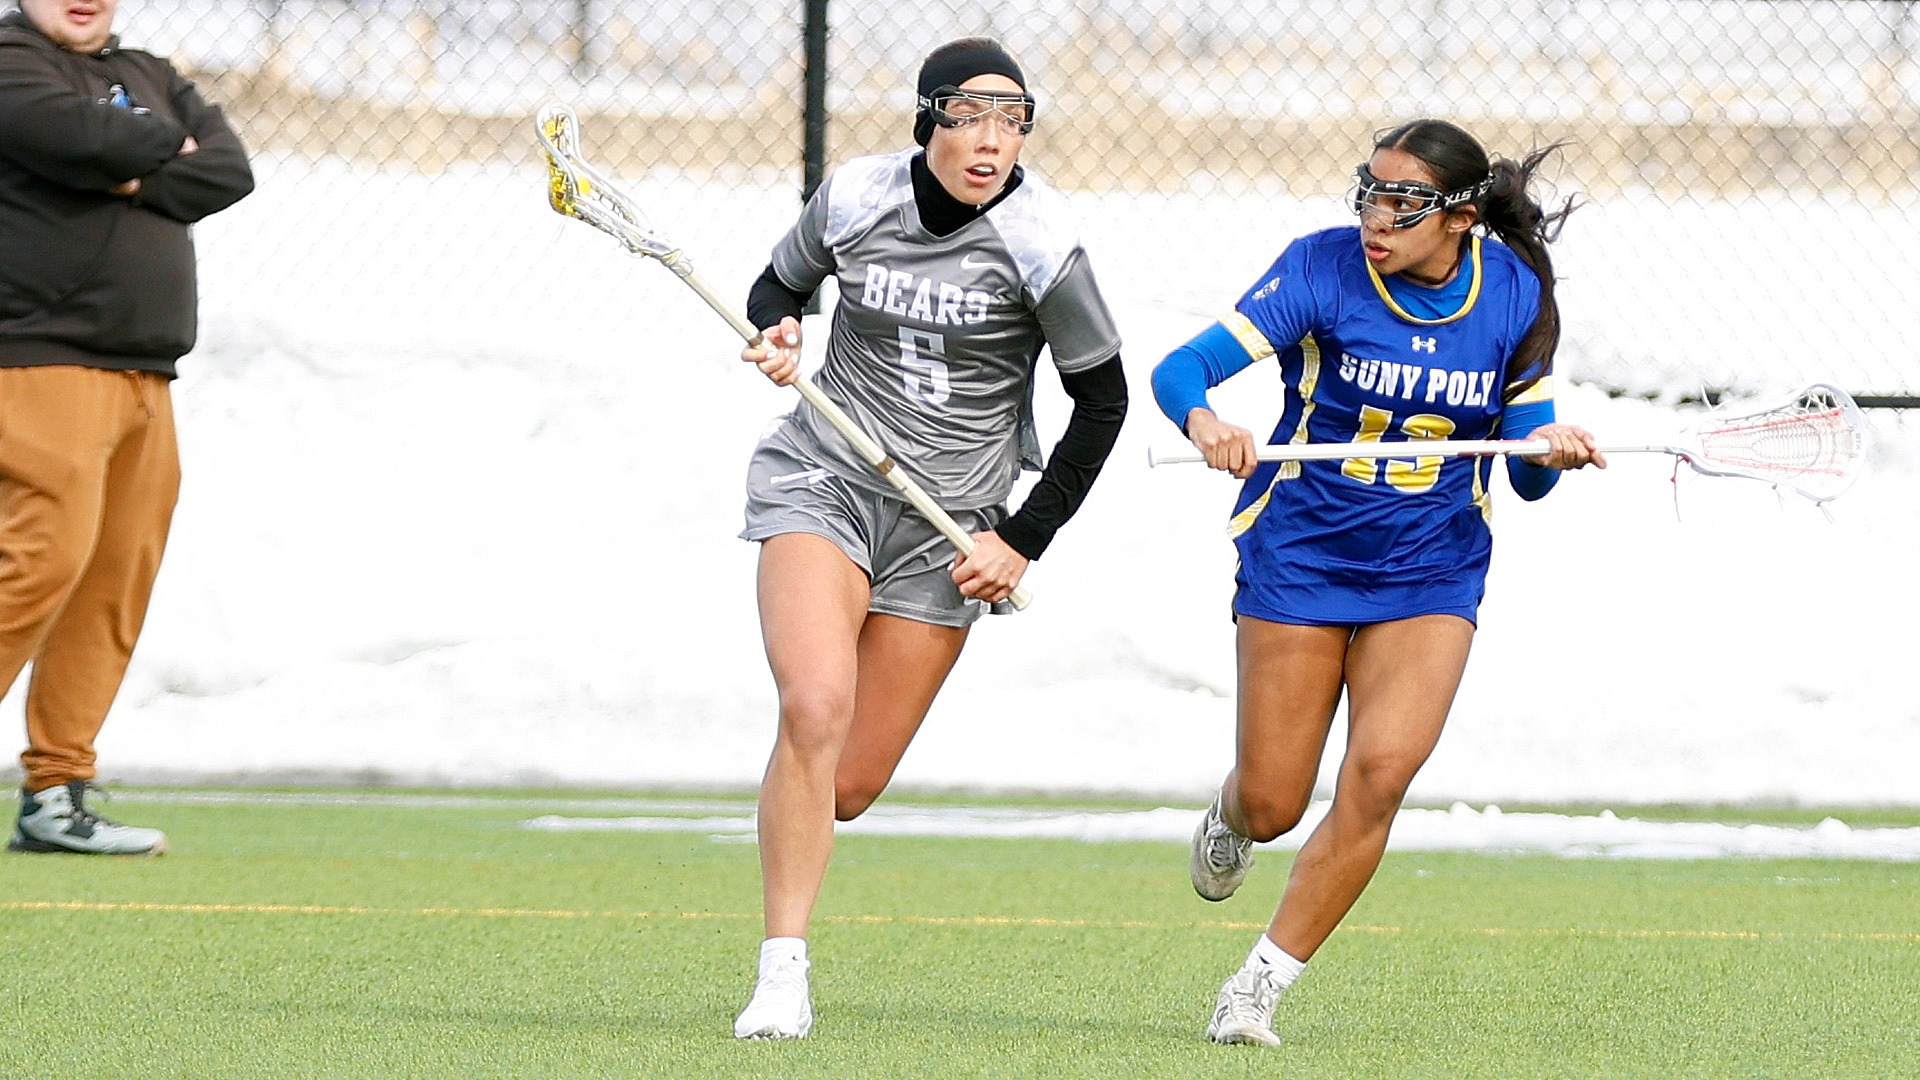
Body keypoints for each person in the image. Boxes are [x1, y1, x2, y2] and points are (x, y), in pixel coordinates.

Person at [1150, 118, 1603, 1046]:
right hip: (1303, 554)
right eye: (1370, 193)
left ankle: (1257, 989)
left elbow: (1525, 477)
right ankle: (1233, 814)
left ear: (1462, 218)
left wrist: (1549, 448)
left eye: (1404, 204)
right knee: (1276, 799)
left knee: (1381, 775)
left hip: (1431, 567)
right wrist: (1205, 422)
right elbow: (1181, 367)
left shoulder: (1514, 293)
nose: (1377, 219)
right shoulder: (1319, 268)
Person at [729, 37, 1127, 1039]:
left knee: (848, 783)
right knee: (814, 705)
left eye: (1013, 120)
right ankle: (783, 969)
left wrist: (1022, 539)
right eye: (971, 117)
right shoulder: (857, 196)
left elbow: (1104, 401)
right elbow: (777, 287)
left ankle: (800, 799)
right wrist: (782, 334)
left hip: (949, 526)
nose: (992, 140)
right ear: (928, 121)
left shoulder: (1042, 243)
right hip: (826, 479)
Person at [1, 0, 254, 855]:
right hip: (41, 360)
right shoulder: (9, 57)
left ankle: (56, 792)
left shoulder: (149, 70)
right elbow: (70, 135)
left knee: (111, 582)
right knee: (39, 563)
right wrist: (149, 150)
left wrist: (126, 160)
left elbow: (227, 169)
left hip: (147, 370)